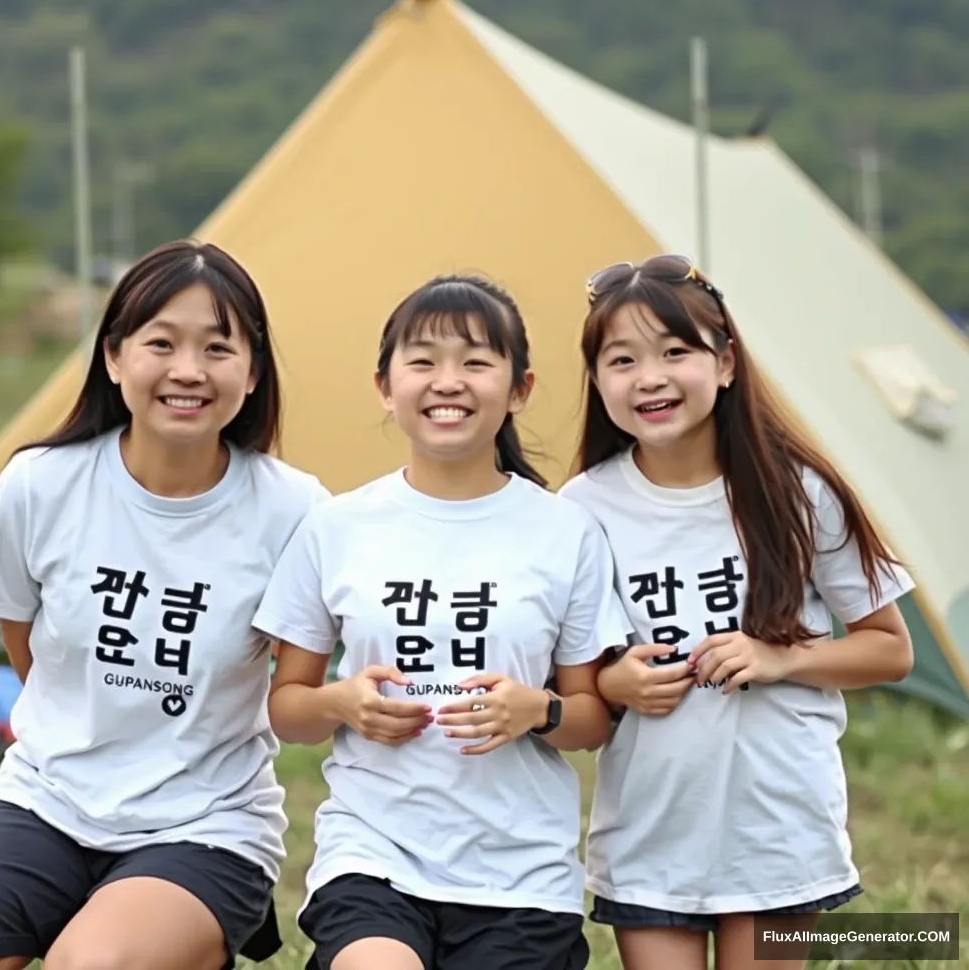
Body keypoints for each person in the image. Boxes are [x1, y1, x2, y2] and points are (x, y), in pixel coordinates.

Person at [0, 241, 329, 970]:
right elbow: (18, 629)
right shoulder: (40, 484)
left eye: (218, 347)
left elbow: (304, 678)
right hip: (44, 802)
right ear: (115, 356)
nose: (188, 370)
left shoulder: (294, 509)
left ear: (251, 372)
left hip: (204, 826)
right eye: (162, 343)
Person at [252, 274, 632, 970]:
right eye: (423, 362)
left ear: (520, 389)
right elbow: (289, 709)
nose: (447, 382)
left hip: (520, 878)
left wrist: (535, 710)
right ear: (385, 386)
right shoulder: (336, 526)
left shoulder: (565, 531)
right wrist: (341, 702)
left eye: (477, 362)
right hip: (374, 856)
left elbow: (591, 719)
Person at [558, 254, 916, 970]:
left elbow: (889, 649)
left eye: (675, 352)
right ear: (598, 383)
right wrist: (614, 684)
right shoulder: (580, 508)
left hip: (778, 832)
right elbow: (575, 678)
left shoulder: (798, 491)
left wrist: (782, 657)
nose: (649, 377)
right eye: (621, 359)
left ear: (725, 364)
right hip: (652, 834)